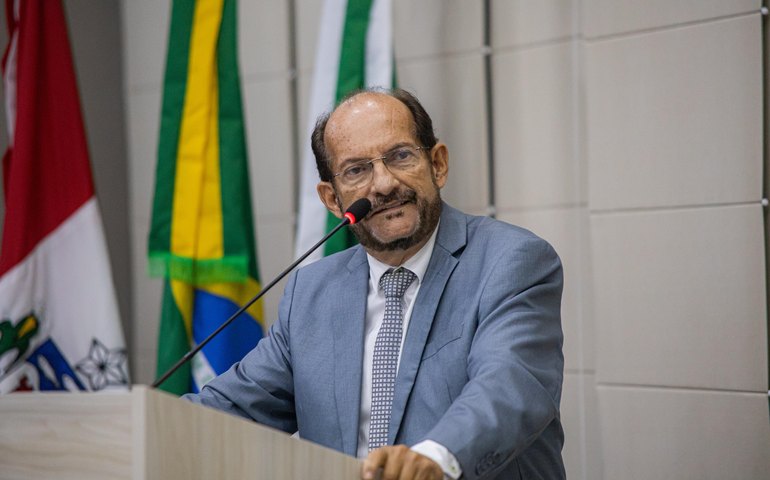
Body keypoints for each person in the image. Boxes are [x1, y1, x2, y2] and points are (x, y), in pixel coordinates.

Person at [185, 88, 565, 479]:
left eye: (400, 156)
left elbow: (510, 385)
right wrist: (131, 420)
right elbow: (232, 409)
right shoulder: (311, 293)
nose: (382, 185)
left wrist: (436, 457)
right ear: (333, 200)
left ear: (437, 164)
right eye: (357, 170)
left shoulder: (512, 261)